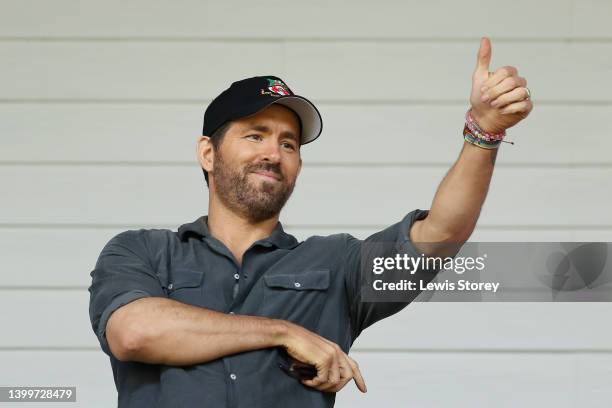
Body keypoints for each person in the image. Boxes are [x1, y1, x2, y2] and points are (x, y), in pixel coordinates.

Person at [88, 37, 532, 407]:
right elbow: (135, 331)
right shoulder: (144, 251)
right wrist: (284, 332)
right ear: (208, 153)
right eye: (255, 135)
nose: (273, 153)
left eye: (289, 144)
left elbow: (441, 235)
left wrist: (485, 131)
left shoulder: (337, 266)